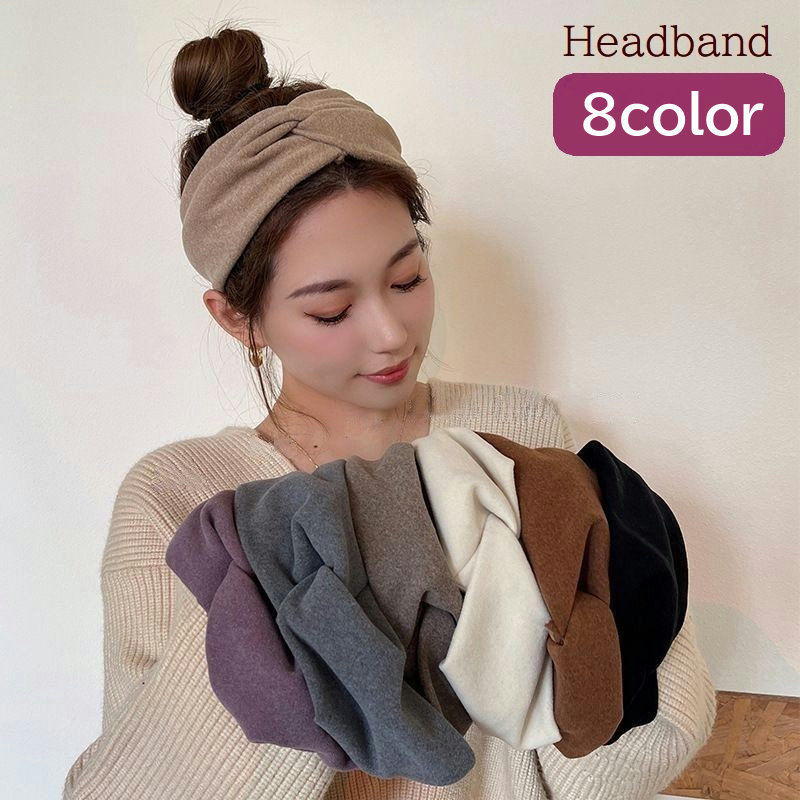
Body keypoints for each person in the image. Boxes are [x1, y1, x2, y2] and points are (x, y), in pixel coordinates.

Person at [61, 24, 716, 800]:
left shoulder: (517, 434)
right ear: (237, 318)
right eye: (332, 310)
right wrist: (293, 574)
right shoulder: (176, 496)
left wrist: (635, 581)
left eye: (407, 280)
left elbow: (610, 756)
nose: (391, 334)